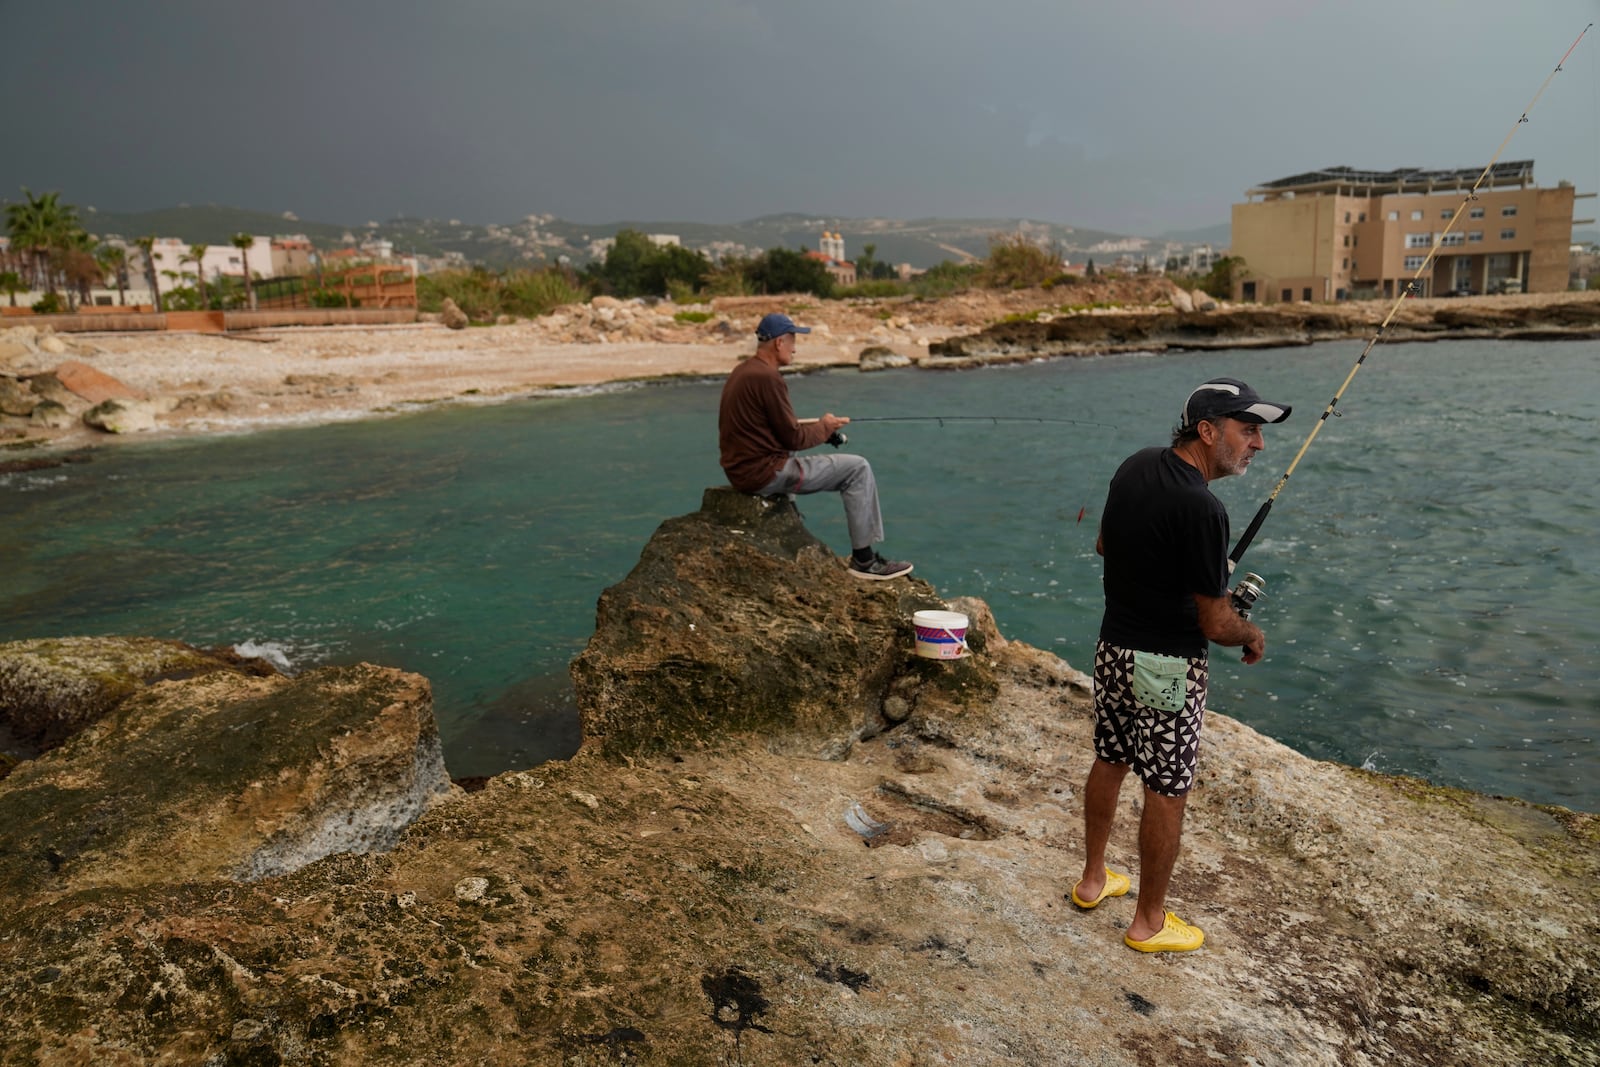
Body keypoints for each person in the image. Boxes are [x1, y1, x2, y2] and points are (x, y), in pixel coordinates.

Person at [1071, 376, 1290, 953]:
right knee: (1167, 788)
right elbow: (1218, 626)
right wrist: (1252, 632)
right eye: (1249, 431)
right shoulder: (1203, 508)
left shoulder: (1137, 465)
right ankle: (1148, 922)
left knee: (1110, 757)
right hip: (1167, 668)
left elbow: (1103, 546)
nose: (1258, 445)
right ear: (1208, 430)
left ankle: (1093, 881)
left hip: (1112, 650)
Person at [718, 312, 912, 580]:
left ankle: (789, 513)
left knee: (802, 446)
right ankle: (865, 561)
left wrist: (821, 428)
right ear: (779, 343)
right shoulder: (768, 378)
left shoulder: (744, 371)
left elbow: (774, 427)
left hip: (740, 469)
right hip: (762, 473)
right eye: (793, 341)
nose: (795, 348)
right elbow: (793, 438)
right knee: (858, 468)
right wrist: (825, 428)